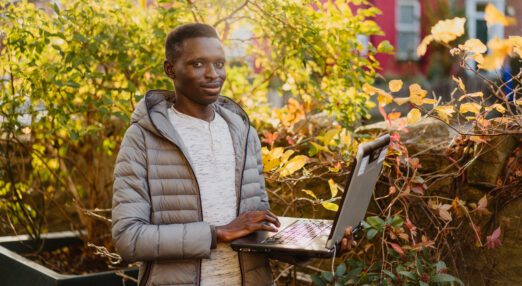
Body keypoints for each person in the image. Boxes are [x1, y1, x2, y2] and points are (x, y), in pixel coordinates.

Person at [111, 23, 354, 286]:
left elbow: (257, 231)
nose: (213, 74)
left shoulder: (243, 133)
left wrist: (320, 246)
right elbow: (128, 238)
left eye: (219, 63)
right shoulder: (143, 138)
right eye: (198, 64)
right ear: (170, 69)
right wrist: (219, 233)